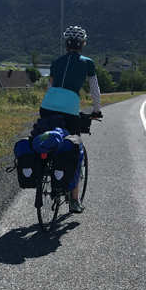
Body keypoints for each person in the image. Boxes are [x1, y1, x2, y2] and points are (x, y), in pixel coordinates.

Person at [39, 25, 103, 213]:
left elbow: (50, 86)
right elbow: (95, 90)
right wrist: (96, 110)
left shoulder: (56, 62)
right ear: (83, 44)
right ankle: (74, 200)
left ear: (66, 44)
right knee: (75, 148)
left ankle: (45, 165)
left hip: (47, 106)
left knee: (49, 138)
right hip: (70, 110)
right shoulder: (87, 63)